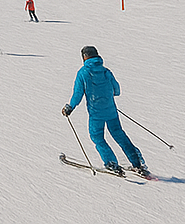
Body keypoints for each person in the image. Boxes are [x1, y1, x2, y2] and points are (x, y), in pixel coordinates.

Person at [63, 45, 146, 175]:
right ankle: (137, 163)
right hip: (112, 111)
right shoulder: (106, 71)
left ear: (84, 57)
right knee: (120, 135)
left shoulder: (83, 72)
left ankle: (111, 163)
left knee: (97, 137)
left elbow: (78, 94)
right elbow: (117, 91)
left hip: (96, 114)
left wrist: (70, 107)